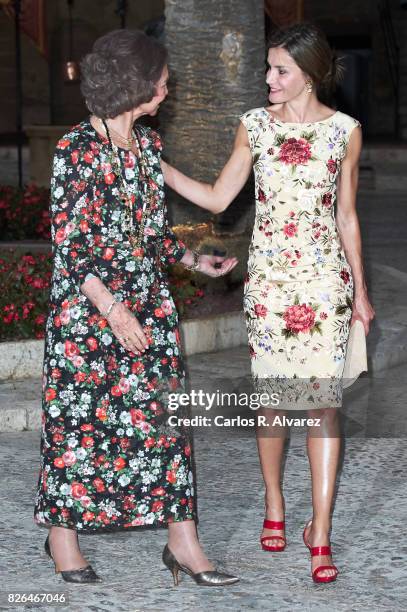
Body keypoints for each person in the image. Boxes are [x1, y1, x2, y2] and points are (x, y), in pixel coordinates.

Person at [161, 23, 375, 584]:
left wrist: (362, 293)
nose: (268, 79)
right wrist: (151, 162)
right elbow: (216, 197)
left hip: (325, 284)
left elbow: (347, 216)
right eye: (268, 68)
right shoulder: (253, 127)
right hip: (272, 287)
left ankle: (320, 532)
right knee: (277, 401)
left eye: (280, 69)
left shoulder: (345, 132)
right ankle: (276, 503)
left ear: (309, 74)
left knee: (323, 404)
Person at [34, 29, 240, 587]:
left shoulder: (145, 146)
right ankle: (62, 536)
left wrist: (196, 261)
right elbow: (73, 245)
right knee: (77, 426)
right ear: (138, 86)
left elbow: (148, 230)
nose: (167, 90)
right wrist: (114, 313)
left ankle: (184, 543)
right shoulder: (77, 149)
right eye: (163, 81)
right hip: (90, 317)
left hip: (149, 308)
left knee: (166, 426)